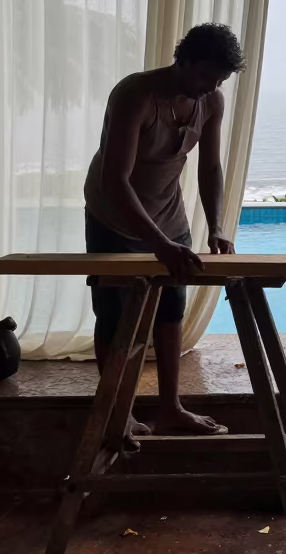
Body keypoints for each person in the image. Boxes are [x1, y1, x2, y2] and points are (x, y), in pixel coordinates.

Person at [84, 23, 245, 438]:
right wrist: (159, 246)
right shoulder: (136, 94)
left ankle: (172, 408)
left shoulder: (211, 102)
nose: (209, 86)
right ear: (183, 59)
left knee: (171, 309)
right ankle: (118, 413)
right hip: (114, 214)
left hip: (168, 214)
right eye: (204, 76)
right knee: (115, 314)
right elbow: (115, 180)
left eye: (219, 80)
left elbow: (210, 167)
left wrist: (217, 226)